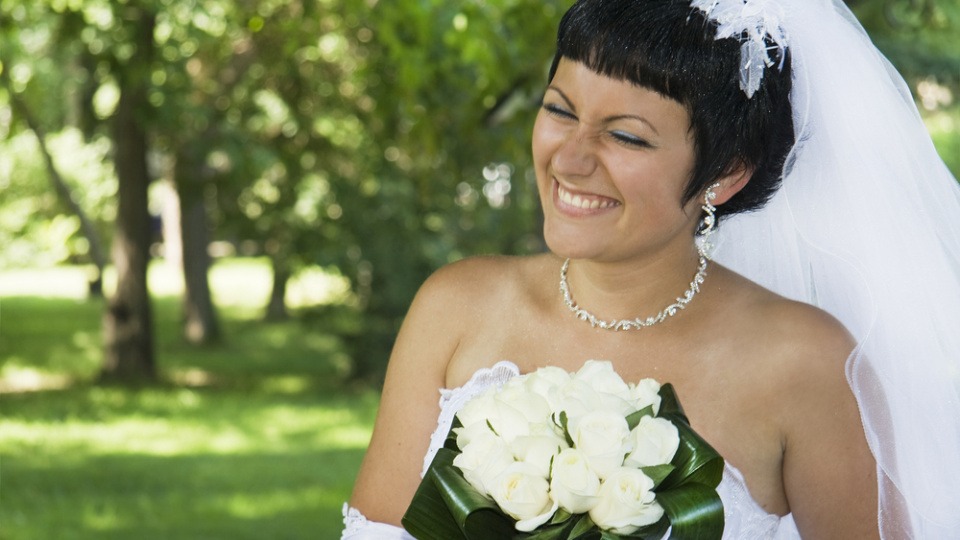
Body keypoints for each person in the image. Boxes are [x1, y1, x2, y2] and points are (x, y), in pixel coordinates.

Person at [342, 0, 960, 538]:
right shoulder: (456, 305)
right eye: (559, 110)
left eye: (627, 137)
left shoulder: (803, 362)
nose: (572, 158)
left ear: (725, 175)